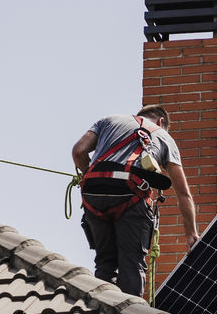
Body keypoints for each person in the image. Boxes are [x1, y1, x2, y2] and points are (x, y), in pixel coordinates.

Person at [71, 105, 199, 297]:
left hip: (93, 196)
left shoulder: (108, 120)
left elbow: (78, 151)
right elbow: (183, 193)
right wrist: (191, 233)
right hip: (130, 196)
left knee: (105, 263)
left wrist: (91, 174)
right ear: (161, 122)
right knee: (132, 264)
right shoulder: (164, 137)